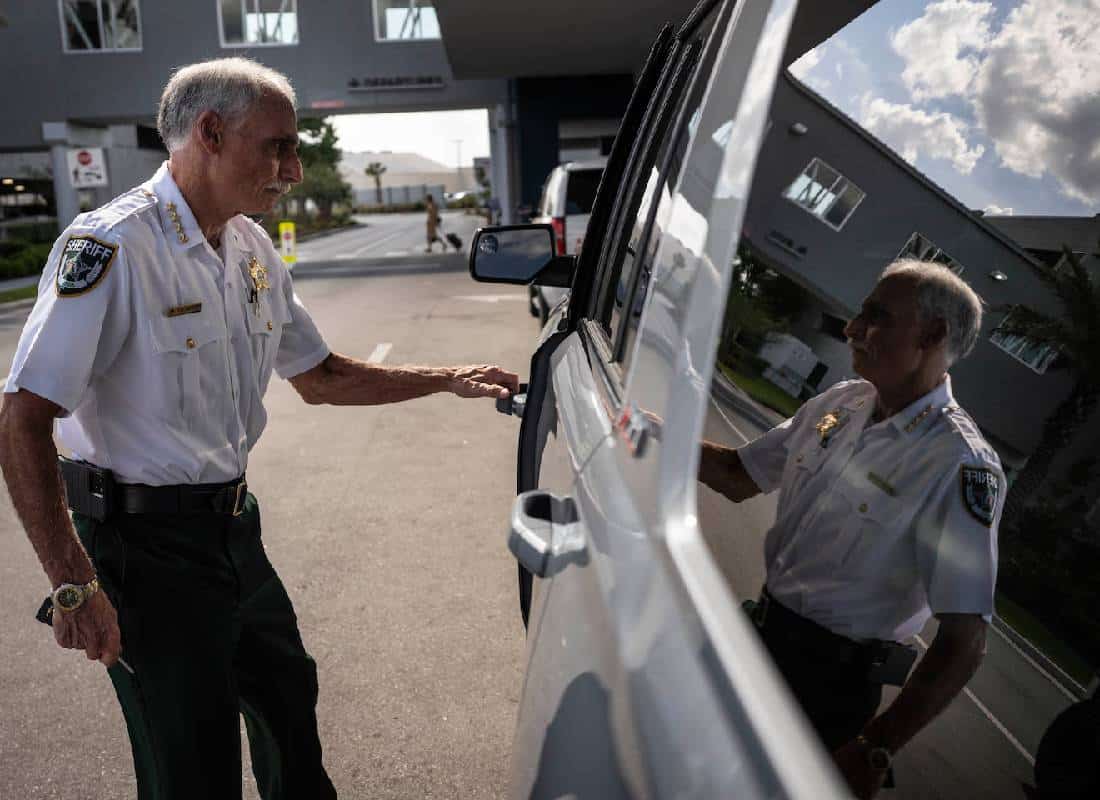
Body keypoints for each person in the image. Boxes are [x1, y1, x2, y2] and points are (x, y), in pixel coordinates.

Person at [0, 57, 518, 799]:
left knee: (290, 719)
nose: (296, 169)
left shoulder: (249, 247)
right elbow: (22, 419)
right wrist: (73, 582)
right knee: (194, 769)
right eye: (278, 145)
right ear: (209, 133)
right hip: (145, 554)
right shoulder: (113, 248)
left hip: (233, 531)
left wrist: (445, 377)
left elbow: (321, 375)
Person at [698, 260, 1003, 799]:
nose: (850, 329)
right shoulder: (841, 404)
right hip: (757, 641)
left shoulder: (959, 464)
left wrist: (874, 748)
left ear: (932, 335)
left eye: (875, 317)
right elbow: (735, 475)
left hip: (826, 694)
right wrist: (629, 423)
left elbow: (964, 641)